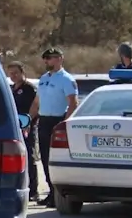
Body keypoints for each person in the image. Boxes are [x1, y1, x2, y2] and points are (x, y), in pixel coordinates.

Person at [34, 47, 78, 207]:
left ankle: (58, 195)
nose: (47, 61)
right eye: (45, 58)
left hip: (57, 121)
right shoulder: (44, 78)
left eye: (50, 58)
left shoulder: (66, 79)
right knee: (45, 158)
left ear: (59, 59)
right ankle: (51, 193)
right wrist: (27, 119)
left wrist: (63, 124)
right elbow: (37, 102)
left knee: (55, 159)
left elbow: (73, 103)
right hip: (44, 121)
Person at [6, 61, 40, 202]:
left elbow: (35, 107)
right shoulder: (11, 88)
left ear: (22, 73)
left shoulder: (29, 89)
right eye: (11, 73)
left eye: (16, 73)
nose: (13, 76)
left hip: (27, 127)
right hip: (14, 128)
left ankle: (33, 190)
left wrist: (29, 122)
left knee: (30, 157)